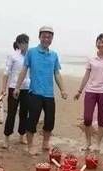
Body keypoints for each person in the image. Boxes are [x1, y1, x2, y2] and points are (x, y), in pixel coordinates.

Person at [13, 26, 68, 155]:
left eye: (49, 37)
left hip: (49, 94)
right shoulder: (31, 52)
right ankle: (30, 146)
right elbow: (23, 70)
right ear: (39, 37)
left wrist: (63, 90)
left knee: (50, 121)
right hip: (35, 93)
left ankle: (45, 143)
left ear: (52, 39)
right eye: (44, 36)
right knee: (32, 120)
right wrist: (17, 87)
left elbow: (57, 74)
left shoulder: (53, 55)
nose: (46, 39)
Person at [74, 33, 103, 151]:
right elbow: (86, 75)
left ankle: (98, 144)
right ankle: (88, 142)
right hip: (90, 91)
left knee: (101, 119)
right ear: (96, 44)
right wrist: (79, 91)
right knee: (87, 118)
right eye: (99, 41)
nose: (101, 43)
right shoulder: (91, 58)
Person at [2, 34, 30, 148]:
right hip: (14, 87)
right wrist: (3, 88)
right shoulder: (13, 55)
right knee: (11, 113)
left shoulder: (30, 56)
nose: (25, 45)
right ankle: (6, 138)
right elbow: (6, 72)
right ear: (18, 44)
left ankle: (21, 136)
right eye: (23, 42)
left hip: (27, 88)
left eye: (27, 42)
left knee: (24, 113)